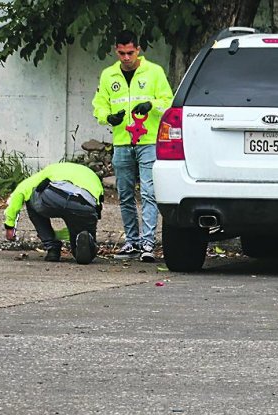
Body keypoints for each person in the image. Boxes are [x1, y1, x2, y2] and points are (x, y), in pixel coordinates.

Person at [92, 30, 174, 262]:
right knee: (125, 194)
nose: (126, 57)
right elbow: (99, 105)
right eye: (121, 53)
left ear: (138, 50)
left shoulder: (154, 72)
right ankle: (132, 241)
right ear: (116, 51)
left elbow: (168, 101)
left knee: (148, 192)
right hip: (122, 141)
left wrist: (151, 105)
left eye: (130, 52)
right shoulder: (108, 75)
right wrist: (109, 118)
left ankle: (148, 242)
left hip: (148, 141)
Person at [4, 162, 104, 265]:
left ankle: (52, 247)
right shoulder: (92, 176)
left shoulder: (46, 172)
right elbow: (97, 208)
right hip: (84, 204)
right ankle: (83, 244)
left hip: (53, 196)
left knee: (29, 197)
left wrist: (10, 226)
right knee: (82, 237)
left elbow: (19, 193)